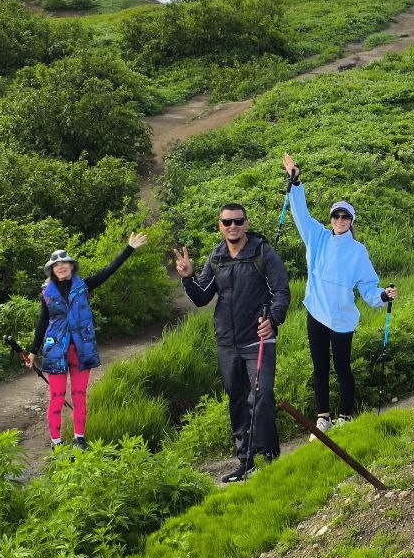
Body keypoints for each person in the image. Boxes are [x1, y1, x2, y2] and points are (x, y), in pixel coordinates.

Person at [280, 152, 396, 430]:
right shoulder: (316, 236)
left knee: (342, 369)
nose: (340, 220)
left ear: (351, 221)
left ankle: (345, 416)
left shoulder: (358, 251)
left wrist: (382, 295)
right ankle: (323, 418)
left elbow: (368, 286)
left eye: (345, 217)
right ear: (331, 218)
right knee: (319, 368)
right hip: (316, 312)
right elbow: (301, 214)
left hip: (342, 318)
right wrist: (295, 182)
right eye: (336, 215)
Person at [174, 204, 290, 482]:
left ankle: (270, 456)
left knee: (261, 395)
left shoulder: (263, 252)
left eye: (238, 221)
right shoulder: (217, 256)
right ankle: (245, 461)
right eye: (227, 222)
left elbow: (282, 291)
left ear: (246, 224)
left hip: (259, 338)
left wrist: (272, 320)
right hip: (226, 341)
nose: (232, 226)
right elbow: (202, 297)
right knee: (237, 400)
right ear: (220, 225)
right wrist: (188, 278)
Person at [27, 232, 147, 450]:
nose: (61, 267)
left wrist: (129, 248)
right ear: (52, 271)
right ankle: (56, 442)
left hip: (81, 349)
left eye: (65, 263)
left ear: (72, 267)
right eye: (57, 265)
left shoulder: (84, 286)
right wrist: (33, 351)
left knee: (80, 395)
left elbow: (108, 271)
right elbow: (42, 322)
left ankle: (79, 439)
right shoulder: (47, 294)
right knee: (56, 396)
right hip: (55, 350)